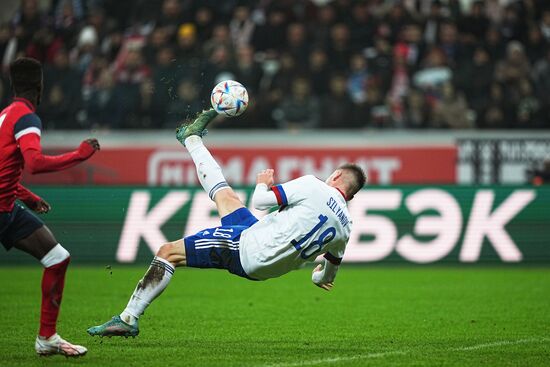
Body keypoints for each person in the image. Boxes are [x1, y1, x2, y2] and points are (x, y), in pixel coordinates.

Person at [87, 109, 366, 338]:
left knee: (167, 252)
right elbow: (325, 278)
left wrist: (263, 183)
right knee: (226, 196)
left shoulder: (313, 185)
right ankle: (192, 139)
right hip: (264, 261)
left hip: (248, 249)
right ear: (351, 195)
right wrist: (316, 275)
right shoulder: (346, 226)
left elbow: (260, 201)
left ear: (337, 176)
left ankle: (128, 318)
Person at [0, 57, 100, 357]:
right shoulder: (26, 117)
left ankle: (47, 338)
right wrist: (79, 155)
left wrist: (26, 196)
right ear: (40, 87)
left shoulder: (5, 114)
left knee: (57, 258)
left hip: (7, 207)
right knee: (57, 259)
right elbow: (35, 162)